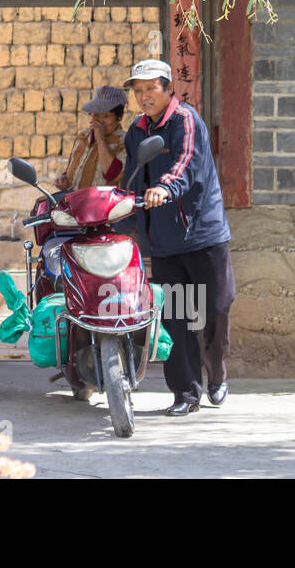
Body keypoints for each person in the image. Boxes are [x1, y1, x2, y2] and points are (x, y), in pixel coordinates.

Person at [119, 59, 234, 417]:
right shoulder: (136, 130)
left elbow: (186, 164)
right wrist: (122, 212)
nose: (144, 96)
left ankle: (216, 372)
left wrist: (165, 189)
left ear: (168, 88)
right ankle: (186, 393)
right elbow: (132, 177)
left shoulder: (185, 120)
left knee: (215, 310)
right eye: (138, 91)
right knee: (178, 319)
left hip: (202, 235)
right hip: (166, 243)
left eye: (151, 88)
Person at [53, 85, 127, 191]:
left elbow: (112, 175)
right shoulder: (83, 137)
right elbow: (73, 170)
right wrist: (65, 180)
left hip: (103, 205)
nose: (99, 121)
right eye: (96, 115)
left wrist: (100, 139)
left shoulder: (124, 141)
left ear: (119, 117)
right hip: (75, 203)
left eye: (106, 116)